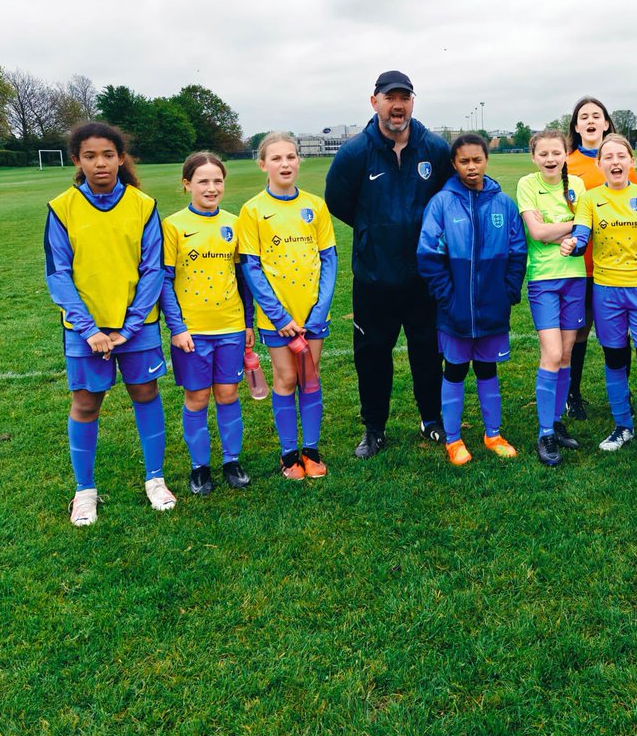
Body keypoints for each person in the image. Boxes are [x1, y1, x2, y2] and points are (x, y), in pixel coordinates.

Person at [45, 122, 173, 525]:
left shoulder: (143, 205)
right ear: (77, 160)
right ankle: (84, 491)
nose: (99, 163)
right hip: (85, 331)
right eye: (90, 156)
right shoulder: (62, 207)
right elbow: (58, 274)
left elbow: (153, 269)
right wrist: (90, 329)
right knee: (85, 403)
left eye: (107, 155)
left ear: (121, 158)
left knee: (145, 393)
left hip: (137, 326)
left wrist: (128, 327)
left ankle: (156, 479)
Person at [325, 70, 454, 458]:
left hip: (424, 275)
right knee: (372, 355)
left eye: (404, 98)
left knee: (427, 351)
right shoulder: (355, 152)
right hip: (374, 277)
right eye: (390, 98)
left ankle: (431, 418)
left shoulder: (434, 149)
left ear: (412, 102)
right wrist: (372, 230)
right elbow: (337, 201)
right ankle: (374, 428)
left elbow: (450, 196)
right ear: (374, 102)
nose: (398, 106)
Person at [560, 134, 637, 457]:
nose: (615, 162)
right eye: (608, 157)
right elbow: (581, 235)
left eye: (621, 156)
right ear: (599, 163)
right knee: (615, 358)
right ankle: (623, 426)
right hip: (607, 291)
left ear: (632, 161)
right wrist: (574, 245)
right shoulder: (590, 199)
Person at [417, 134, 527, 466]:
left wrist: (508, 292)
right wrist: (447, 298)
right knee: (454, 371)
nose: (471, 167)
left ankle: (493, 434)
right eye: (464, 161)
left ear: (486, 160)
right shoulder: (441, 203)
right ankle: (453, 439)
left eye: (477, 160)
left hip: (493, 308)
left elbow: (517, 252)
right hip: (455, 311)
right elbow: (428, 256)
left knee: (487, 369)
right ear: (454, 164)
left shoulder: (503, 204)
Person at [239, 132, 337, 481]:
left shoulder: (315, 205)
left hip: (313, 315)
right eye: (277, 158)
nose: (285, 164)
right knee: (285, 378)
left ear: (299, 160)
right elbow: (251, 268)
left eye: (291, 157)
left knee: (310, 377)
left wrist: (319, 310)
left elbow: (329, 259)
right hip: (276, 318)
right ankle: (288, 454)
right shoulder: (253, 210)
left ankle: (310, 450)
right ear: (263, 164)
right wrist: (279, 316)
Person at [160, 152, 253, 494]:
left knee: (228, 394)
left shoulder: (234, 223)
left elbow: (243, 278)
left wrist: (247, 322)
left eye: (217, 181)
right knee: (197, 398)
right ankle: (199, 467)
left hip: (230, 326)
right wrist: (177, 327)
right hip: (192, 331)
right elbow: (164, 281)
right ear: (187, 184)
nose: (211, 188)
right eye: (203, 181)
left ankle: (232, 461)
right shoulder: (173, 226)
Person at [562, 96, 637, 421]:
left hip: (617, 266)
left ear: (607, 123)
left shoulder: (623, 163)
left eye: (597, 115)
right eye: (584, 116)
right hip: (580, 265)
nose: (591, 121)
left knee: (621, 333)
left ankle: (623, 394)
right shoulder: (566, 164)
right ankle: (572, 394)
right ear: (576, 126)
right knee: (578, 330)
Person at [516, 129, 588, 466]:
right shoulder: (527, 185)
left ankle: (556, 422)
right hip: (544, 279)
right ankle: (544, 433)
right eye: (543, 154)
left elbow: (586, 229)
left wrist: (559, 229)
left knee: (567, 354)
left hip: (575, 277)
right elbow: (537, 232)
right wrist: (572, 226)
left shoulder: (577, 185)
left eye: (556, 153)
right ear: (534, 157)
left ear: (565, 154)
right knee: (552, 353)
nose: (550, 159)